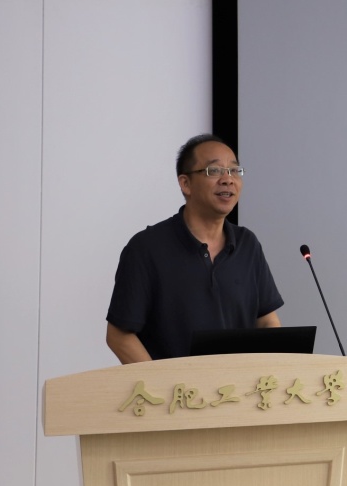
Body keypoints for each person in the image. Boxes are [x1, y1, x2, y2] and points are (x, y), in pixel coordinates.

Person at [105, 134, 282, 363]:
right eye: (214, 171)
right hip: (177, 386)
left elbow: (266, 321)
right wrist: (161, 383)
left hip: (239, 384)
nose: (228, 179)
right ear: (185, 184)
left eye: (234, 170)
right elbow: (119, 336)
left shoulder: (247, 244)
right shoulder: (146, 248)